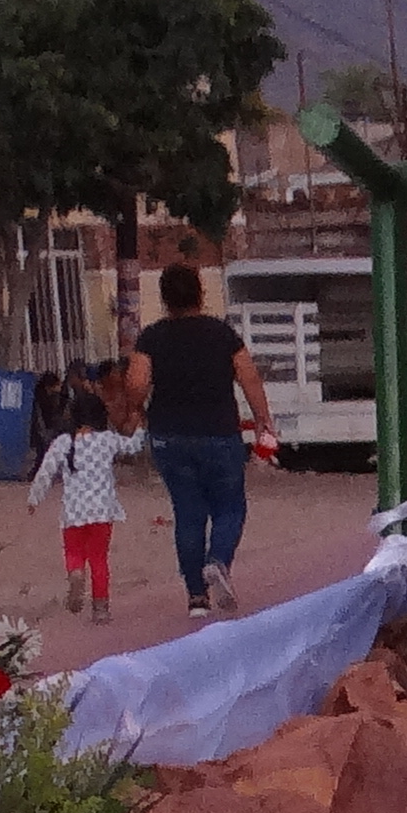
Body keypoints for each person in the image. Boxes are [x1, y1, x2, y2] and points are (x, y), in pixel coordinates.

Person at [125, 264, 272, 616]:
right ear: (200, 293)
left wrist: (136, 409)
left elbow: (137, 383)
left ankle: (196, 598)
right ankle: (218, 560)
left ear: (164, 298)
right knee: (230, 507)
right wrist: (262, 419)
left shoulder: (152, 338)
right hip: (219, 432)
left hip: (169, 436)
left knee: (188, 512)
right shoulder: (222, 334)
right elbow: (249, 378)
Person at [26, 377, 146, 623]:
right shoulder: (108, 440)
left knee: (73, 551)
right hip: (102, 512)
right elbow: (133, 446)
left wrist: (34, 498)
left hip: (74, 512)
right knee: (100, 559)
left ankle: (76, 572)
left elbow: (45, 472)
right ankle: (101, 608)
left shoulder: (64, 443)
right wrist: (140, 426)